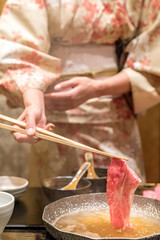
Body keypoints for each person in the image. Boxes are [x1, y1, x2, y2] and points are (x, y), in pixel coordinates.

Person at [0, 0, 160, 185]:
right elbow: (19, 48)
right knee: (55, 202)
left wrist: (98, 88)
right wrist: (34, 106)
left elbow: (154, 57)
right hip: (52, 119)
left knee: (121, 200)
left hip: (115, 118)